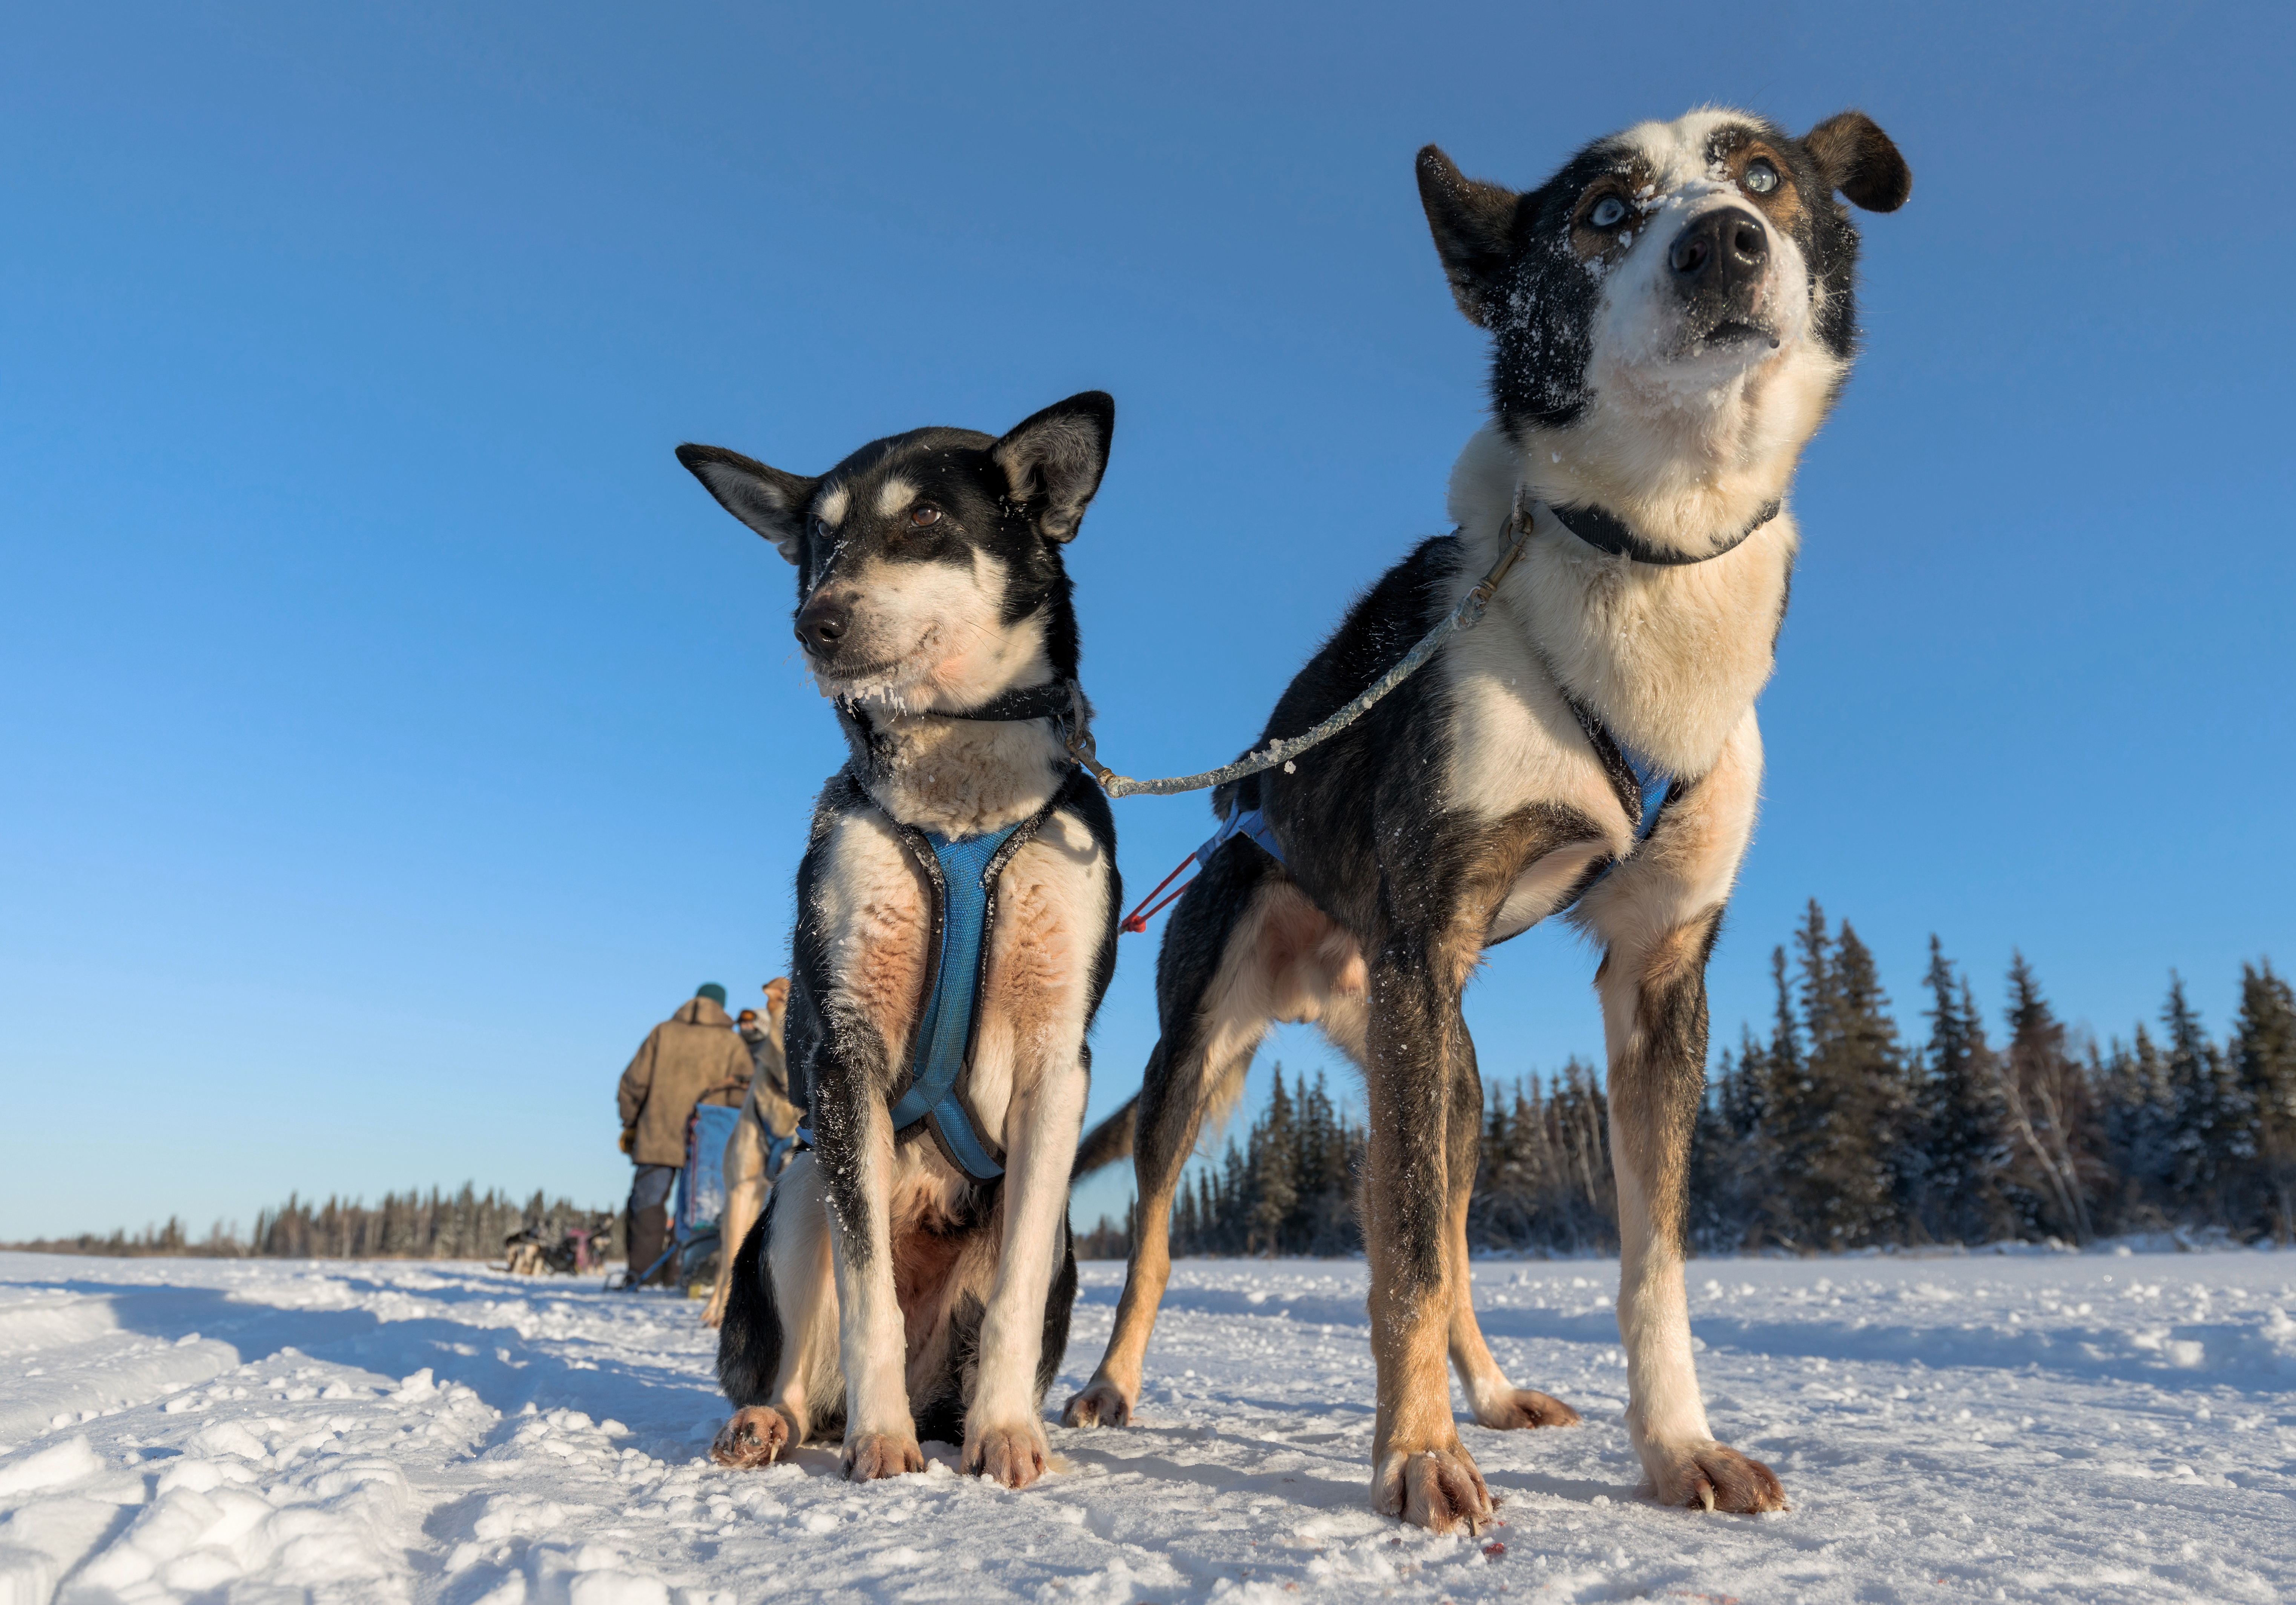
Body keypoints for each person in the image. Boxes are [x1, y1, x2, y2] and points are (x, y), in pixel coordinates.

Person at [617, 983, 751, 1286]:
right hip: (708, 1140)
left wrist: (630, 1122)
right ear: (721, 1006)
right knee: (697, 1207)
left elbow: (632, 1083)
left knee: (648, 1203)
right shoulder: (731, 1043)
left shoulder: (663, 1033)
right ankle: (683, 1274)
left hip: (656, 1135)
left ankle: (642, 1275)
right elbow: (744, 1094)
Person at [704, 979, 799, 1327]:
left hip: (801, 1108)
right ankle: (726, 1292)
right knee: (740, 1197)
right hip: (762, 1105)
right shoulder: (775, 1022)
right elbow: (742, 1195)